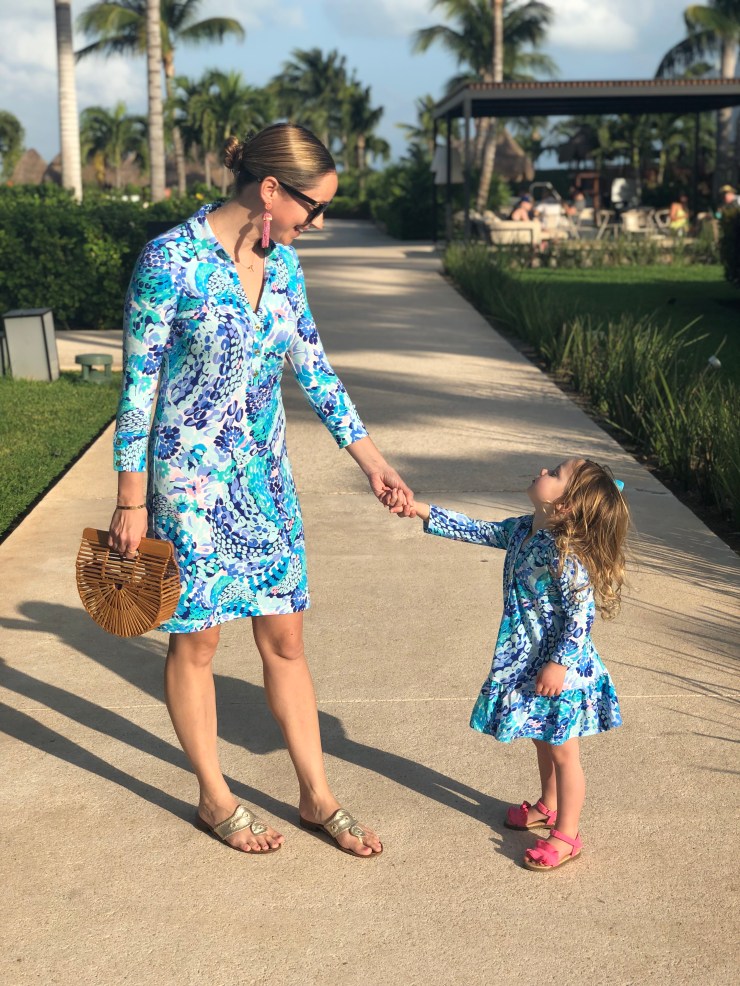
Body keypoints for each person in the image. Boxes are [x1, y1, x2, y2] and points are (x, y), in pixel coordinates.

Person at [108, 123, 414, 858]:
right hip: (189, 485)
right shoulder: (169, 261)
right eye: (316, 206)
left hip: (265, 479)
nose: (321, 221)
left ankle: (317, 795)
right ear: (270, 189)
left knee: (286, 636)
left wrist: (371, 461)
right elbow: (138, 389)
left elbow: (315, 370)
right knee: (199, 639)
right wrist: (130, 499)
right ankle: (214, 797)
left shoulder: (284, 267)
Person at [399, 457, 628, 871]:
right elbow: (479, 530)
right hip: (529, 659)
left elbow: (581, 616)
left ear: (565, 506)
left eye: (554, 474)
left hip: (561, 669)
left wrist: (559, 664)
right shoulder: (524, 529)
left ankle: (567, 835)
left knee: (564, 752)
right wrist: (420, 510)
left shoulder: (566, 554)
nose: (543, 471)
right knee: (542, 738)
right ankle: (549, 805)